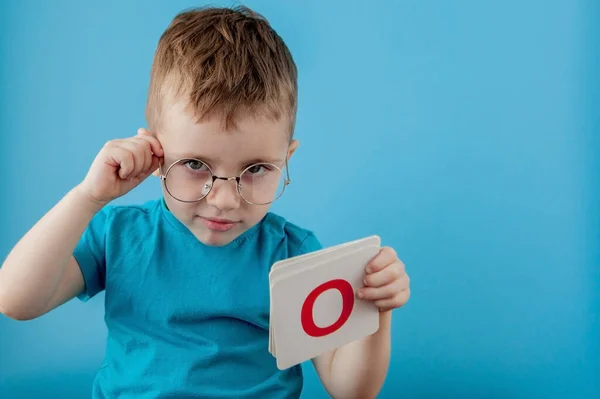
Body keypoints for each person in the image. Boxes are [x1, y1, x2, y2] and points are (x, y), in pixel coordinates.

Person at [0, 5, 410, 399]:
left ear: (286, 159)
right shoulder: (119, 235)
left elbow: (351, 389)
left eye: (257, 169)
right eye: (195, 164)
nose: (226, 200)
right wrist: (87, 198)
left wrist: (374, 312)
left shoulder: (294, 257)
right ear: (154, 153)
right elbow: (15, 300)